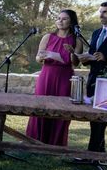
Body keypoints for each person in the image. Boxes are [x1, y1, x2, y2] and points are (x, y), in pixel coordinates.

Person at [26, 9, 83, 145]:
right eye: (58, 18)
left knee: (62, 109)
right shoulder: (48, 37)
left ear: (71, 22)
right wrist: (42, 57)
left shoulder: (77, 40)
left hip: (65, 77)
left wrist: (72, 53)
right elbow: (38, 58)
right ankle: (34, 141)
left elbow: (76, 63)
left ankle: (56, 143)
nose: (60, 21)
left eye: (64, 19)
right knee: (40, 106)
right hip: (47, 75)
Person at [79, 1, 107, 152]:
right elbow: (94, 55)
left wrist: (106, 58)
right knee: (94, 119)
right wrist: (85, 59)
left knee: (102, 119)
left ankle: (92, 155)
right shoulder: (96, 33)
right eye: (101, 12)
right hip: (93, 80)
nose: (101, 15)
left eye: (106, 12)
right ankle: (98, 152)